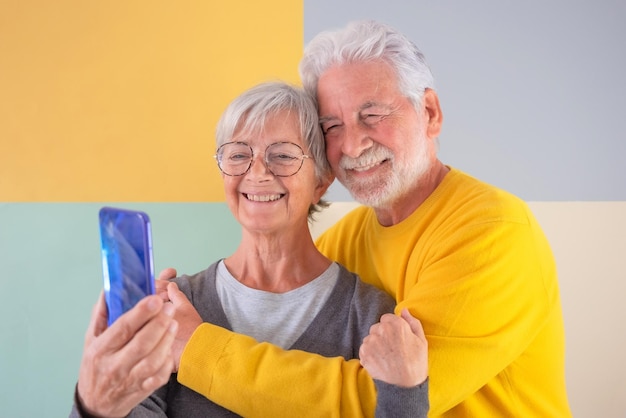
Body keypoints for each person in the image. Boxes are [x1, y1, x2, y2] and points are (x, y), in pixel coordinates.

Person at [155, 20, 572, 417]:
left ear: (429, 112)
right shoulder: (346, 241)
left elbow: (374, 398)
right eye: (333, 125)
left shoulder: (492, 234)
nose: (352, 145)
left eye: (372, 116)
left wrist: (194, 348)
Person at [70, 81, 429, 417]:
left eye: (283, 156)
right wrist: (94, 402)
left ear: (321, 180)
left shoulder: (370, 318)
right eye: (238, 154)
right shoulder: (174, 308)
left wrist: (407, 392)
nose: (257, 173)